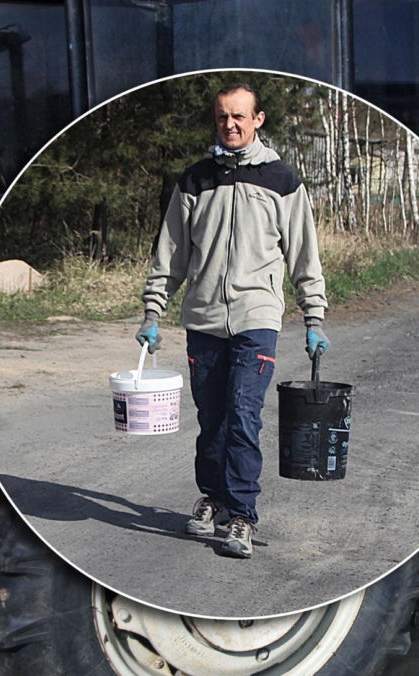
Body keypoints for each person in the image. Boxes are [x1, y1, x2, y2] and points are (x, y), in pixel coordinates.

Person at [135, 82, 329, 559]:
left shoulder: (282, 180)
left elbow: (304, 255)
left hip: (256, 316)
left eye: (240, 116)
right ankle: (213, 498)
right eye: (223, 117)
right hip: (203, 318)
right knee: (212, 418)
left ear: (258, 119)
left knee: (243, 416)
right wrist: (152, 310)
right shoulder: (194, 180)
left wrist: (314, 317)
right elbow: (172, 254)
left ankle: (241, 515)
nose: (231, 125)